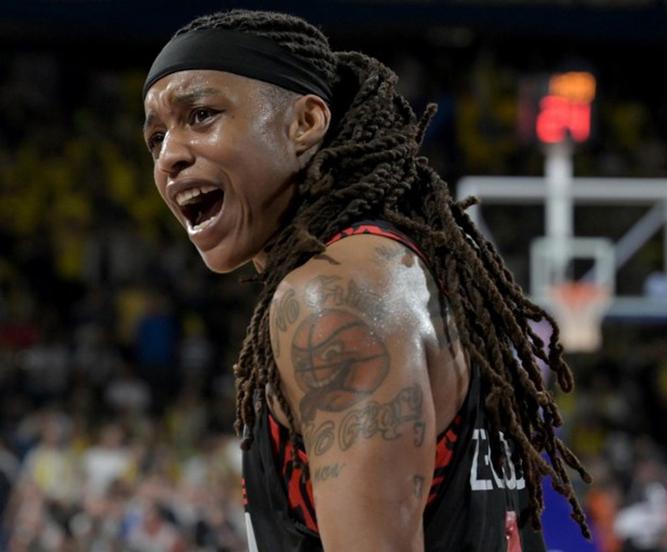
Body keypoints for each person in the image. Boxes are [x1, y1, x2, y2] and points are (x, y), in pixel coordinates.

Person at [142, 9, 590, 551]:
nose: (169, 156)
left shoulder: (336, 295)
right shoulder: (402, 273)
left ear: (304, 123)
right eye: (157, 137)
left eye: (203, 115)